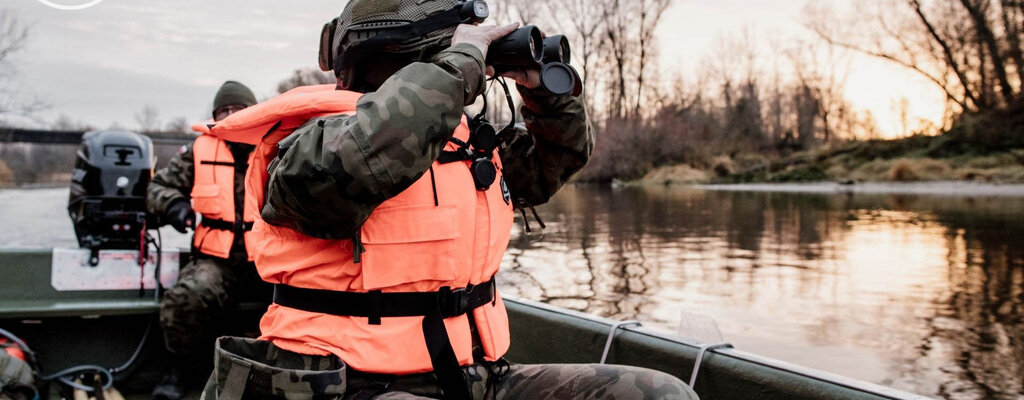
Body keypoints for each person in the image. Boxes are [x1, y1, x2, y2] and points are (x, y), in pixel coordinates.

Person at [201, 0, 698, 398]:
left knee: (660, 393)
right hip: (344, 381)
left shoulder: (461, 143)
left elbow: (560, 159)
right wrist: (459, 66)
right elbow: (361, 159)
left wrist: (545, 92)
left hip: (470, 375)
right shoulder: (306, 143)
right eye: (443, 59)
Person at [147, 81, 271, 400]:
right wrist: (174, 206)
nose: (231, 116)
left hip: (268, 261)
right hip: (216, 261)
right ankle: (178, 368)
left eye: (238, 110)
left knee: (305, 297)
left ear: (254, 113)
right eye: (224, 111)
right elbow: (158, 187)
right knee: (189, 295)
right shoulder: (199, 149)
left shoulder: (278, 146)